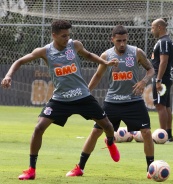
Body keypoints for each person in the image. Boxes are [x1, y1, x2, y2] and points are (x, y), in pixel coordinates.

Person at [1, 20, 120, 180]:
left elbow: (88, 55)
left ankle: (110, 142)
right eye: (64, 36)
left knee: (107, 125)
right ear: (54, 35)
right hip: (60, 99)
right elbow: (20, 61)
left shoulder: (75, 45)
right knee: (38, 128)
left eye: (68, 35)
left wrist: (104, 62)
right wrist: (8, 76)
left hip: (83, 96)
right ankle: (31, 170)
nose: (67, 39)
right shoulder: (44, 51)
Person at [66, 25, 155, 178]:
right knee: (95, 132)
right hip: (112, 102)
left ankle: (150, 169)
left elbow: (151, 69)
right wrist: (85, 93)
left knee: (146, 133)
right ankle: (79, 167)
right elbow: (98, 75)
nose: (122, 44)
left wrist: (144, 81)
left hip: (133, 101)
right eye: (119, 40)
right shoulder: (106, 55)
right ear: (112, 39)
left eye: (125, 40)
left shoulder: (136, 52)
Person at [150, 18, 173, 142]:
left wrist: (158, 79)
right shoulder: (164, 41)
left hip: (162, 78)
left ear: (159, 27)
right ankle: (168, 134)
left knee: (160, 105)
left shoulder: (164, 42)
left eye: (153, 28)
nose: (151, 30)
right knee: (166, 106)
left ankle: (162, 134)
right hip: (166, 77)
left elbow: (163, 61)